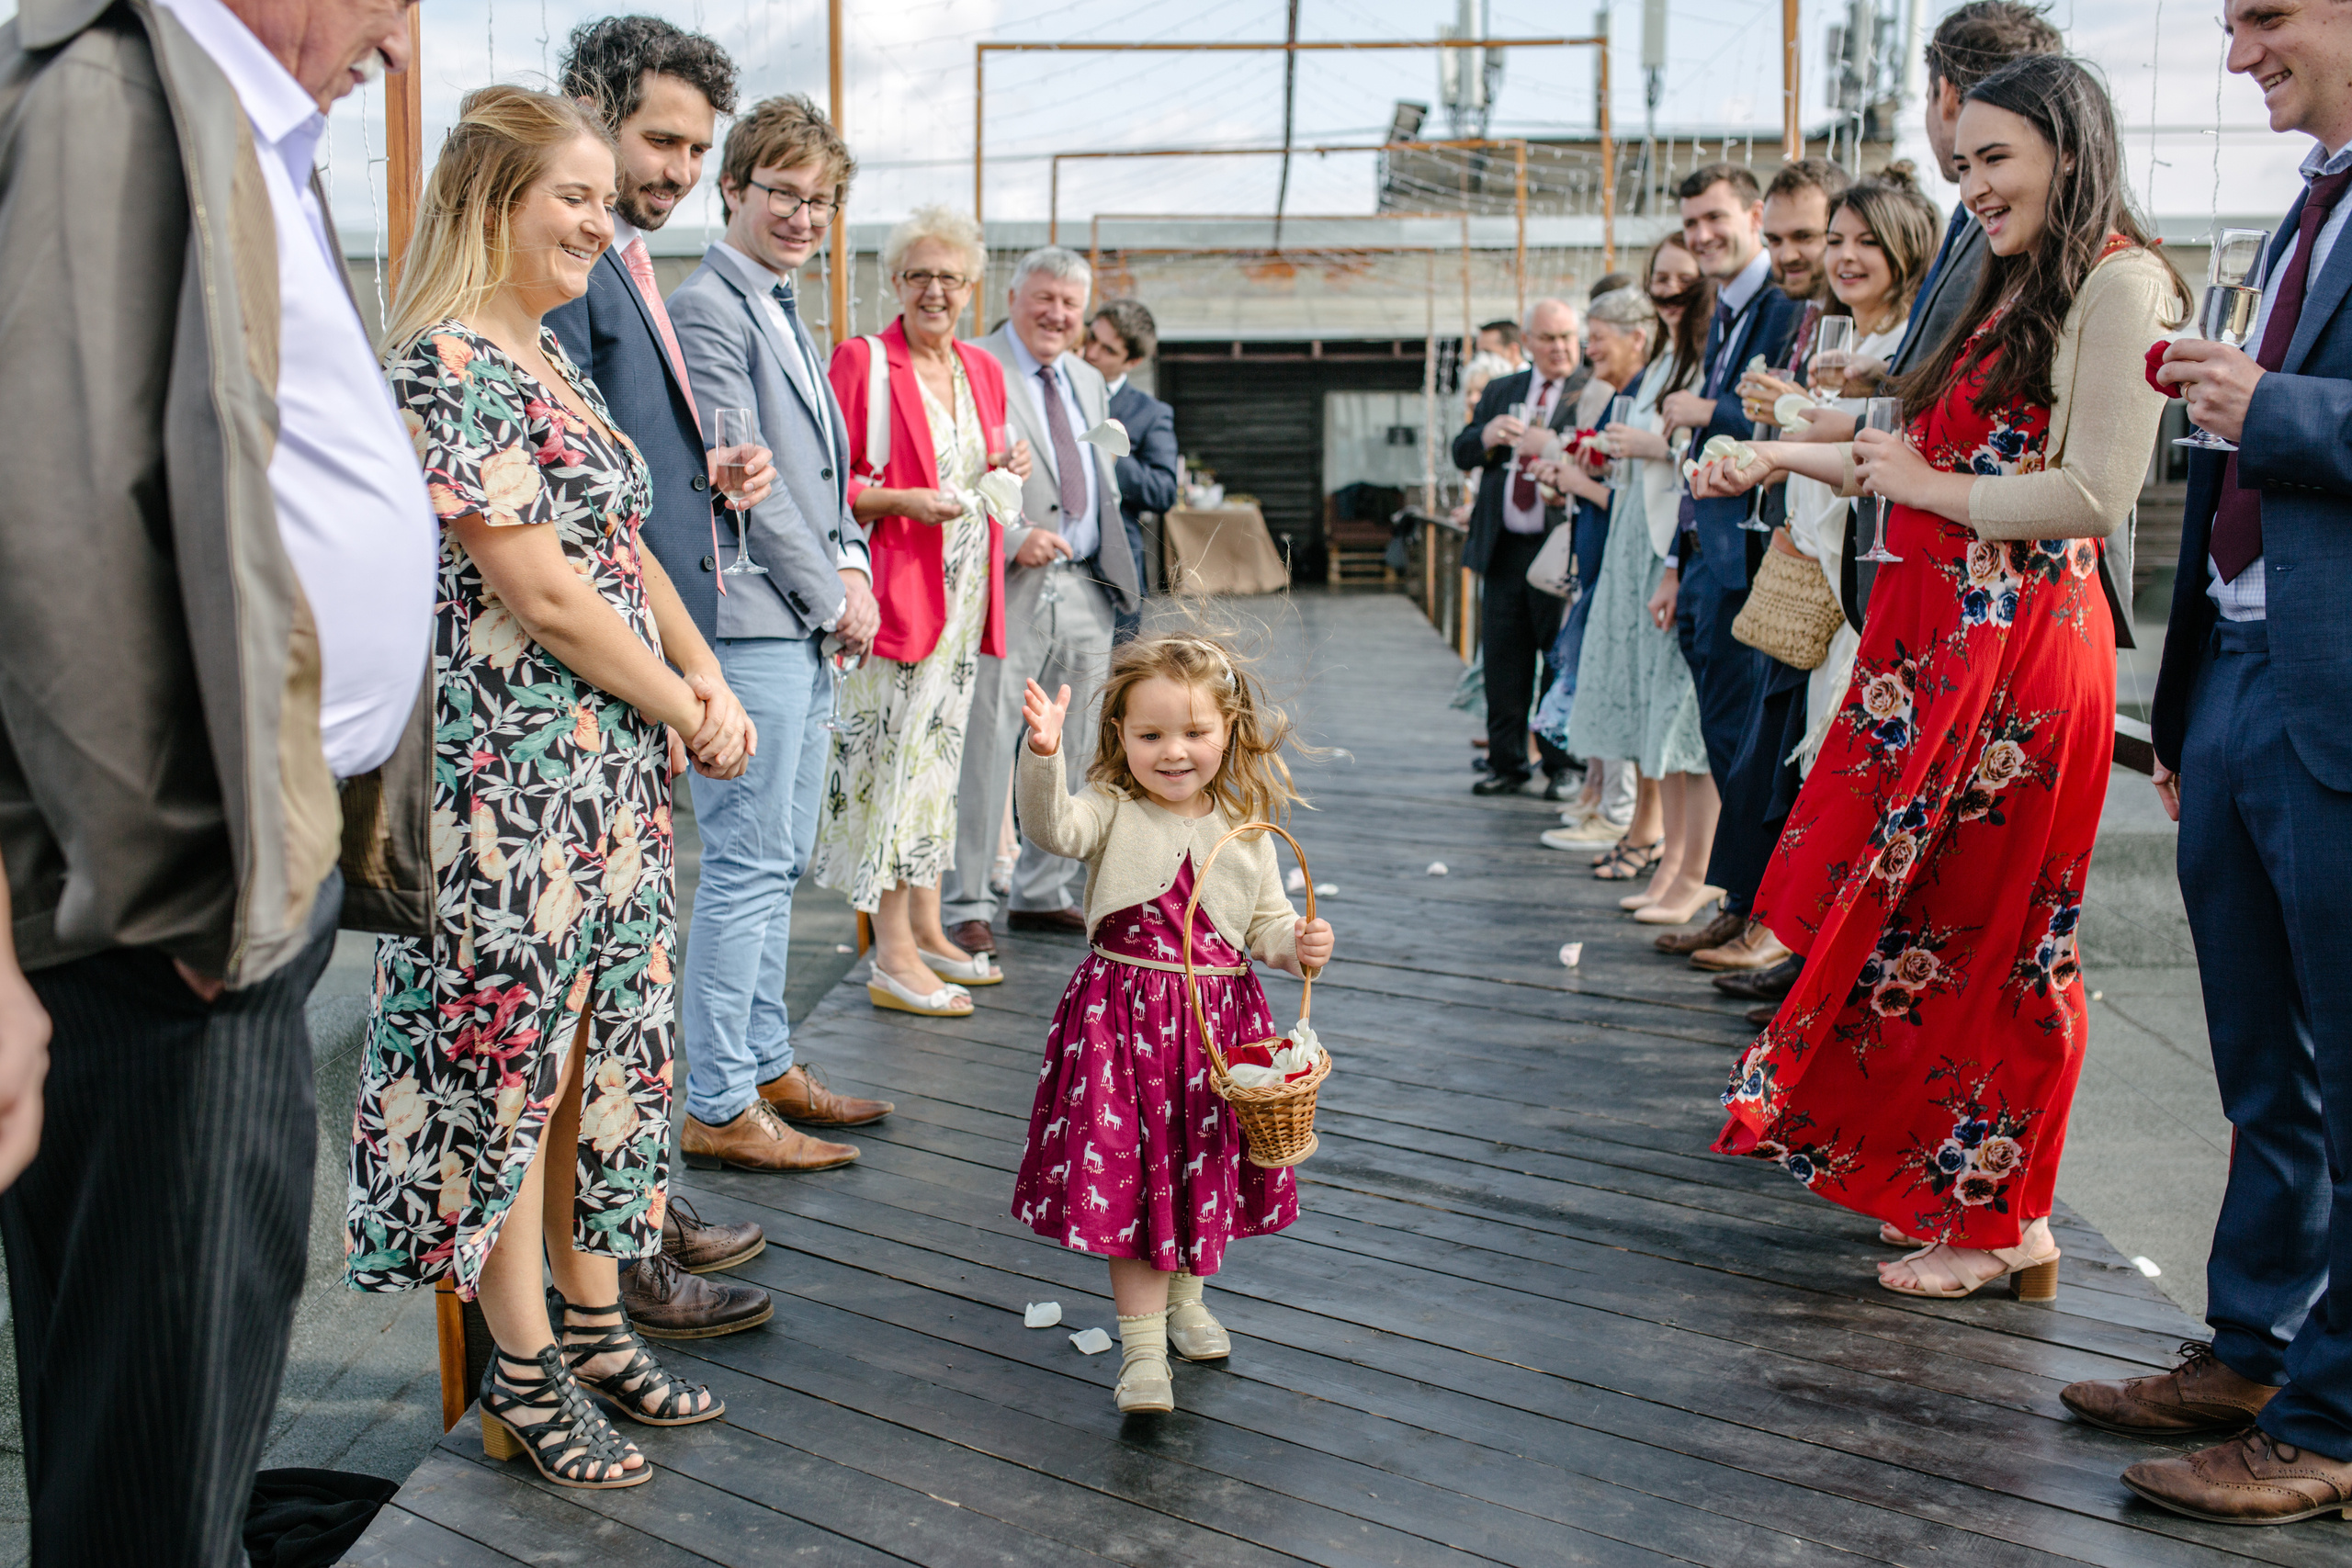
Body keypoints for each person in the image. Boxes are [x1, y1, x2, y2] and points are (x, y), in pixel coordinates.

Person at [0, 0, 429, 1555]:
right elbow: (44, 523)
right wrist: (183, 887)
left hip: (231, 888)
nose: (405, 22)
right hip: (181, 920)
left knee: (174, 1417)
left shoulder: (247, 120)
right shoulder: (116, 94)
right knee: (157, 1452)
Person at [1695, 56, 2184, 1300]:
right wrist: (1781, 454)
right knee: (1927, 920)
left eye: (1995, 162)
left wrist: (1922, 487)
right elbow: (1898, 451)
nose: (1973, 188)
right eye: (1962, 166)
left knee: (2011, 937)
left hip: (2019, 655)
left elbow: (2090, 495)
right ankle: (1948, 1185)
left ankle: (2006, 1221)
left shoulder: (2126, 282)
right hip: (1933, 648)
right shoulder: (2005, 283)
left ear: (2068, 151)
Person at [348, 85, 763, 1492]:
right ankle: (520, 1363)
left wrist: (707, 683)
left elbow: (628, 551)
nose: (601, 220)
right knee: (515, 1076)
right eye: (571, 197)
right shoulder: (446, 362)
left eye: (604, 196)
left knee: (610, 1055)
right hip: (509, 791)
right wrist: (683, 701)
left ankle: (594, 1320)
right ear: (492, 203)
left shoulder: (549, 358)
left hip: (612, 778)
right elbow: (537, 587)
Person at [2082, 0, 2352, 1525]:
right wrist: (2188, 713)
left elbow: (2292, 426)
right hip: (2246, 674)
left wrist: (2285, 408)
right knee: (2263, 1057)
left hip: (2331, 693)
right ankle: (2254, 1348)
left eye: (2267, 16)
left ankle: (2334, 1418)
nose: (2240, 52)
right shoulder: (2305, 210)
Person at [545, 11, 775, 1344]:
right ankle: (616, 1259)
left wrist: (714, 481)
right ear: (592, 113)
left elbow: (630, 470)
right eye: (663, 139)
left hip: (649, 672)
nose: (682, 167)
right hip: (605, 684)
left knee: (629, 979)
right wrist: (679, 682)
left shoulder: (628, 261)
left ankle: (638, 1209)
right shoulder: (571, 266)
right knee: (595, 993)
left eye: (697, 146)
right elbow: (578, 515)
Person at [1008, 635, 1335, 1414]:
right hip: (1121, 1026)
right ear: (1120, 735)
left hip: (1216, 1032)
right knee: (1132, 1172)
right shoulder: (1111, 808)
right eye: (1151, 735)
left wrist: (1299, 945)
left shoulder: (1245, 825)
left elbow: (1267, 926)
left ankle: (1186, 1301)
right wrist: (1043, 754)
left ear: (1229, 730)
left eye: (1194, 733)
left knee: (1197, 1167)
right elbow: (1055, 828)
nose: (1174, 752)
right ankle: (1142, 1349)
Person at [665, 95, 896, 1175]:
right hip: (753, 621)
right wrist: (833, 594)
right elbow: (744, 476)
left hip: (798, 621)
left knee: (780, 856)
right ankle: (715, 1099)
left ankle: (764, 1063)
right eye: (784, 195)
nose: (804, 217)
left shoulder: (784, 307)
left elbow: (820, 480)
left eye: (821, 201)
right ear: (735, 191)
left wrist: (852, 560)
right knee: (748, 865)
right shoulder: (708, 307)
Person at [1714, 168, 1941, 1018]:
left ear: (1907, 249)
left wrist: (1796, 414)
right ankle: (1808, 953)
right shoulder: (1848, 345)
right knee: (1816, 781)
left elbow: (1869, 463)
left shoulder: (1908, 352)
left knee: (1846, 783)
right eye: (1835, 241)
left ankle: (1824, 966)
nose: (1844, 256)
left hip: (1872, 592)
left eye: (1862, 242)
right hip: (1827, 583)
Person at [817, 206, 1023, 1015]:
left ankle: (930, 927)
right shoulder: (863, 362)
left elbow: (990, 464)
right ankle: (891, 953)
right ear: (895, 282)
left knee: (933, 777)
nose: (935, 290)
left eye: (951, 277)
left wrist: (1011, 464)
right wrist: (905, 500)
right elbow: (824, 484)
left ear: (972, 288)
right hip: (896, 603)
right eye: (919, 275)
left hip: (965, 606)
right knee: (890, 779)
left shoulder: (982, 367)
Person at [943, 248, 1145, 957]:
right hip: (1012, 582)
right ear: (1013, 295)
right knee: (991, 741)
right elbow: (953, 475)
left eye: (1070, 303)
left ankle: (1041, 889)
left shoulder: (1089, 378)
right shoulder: (971, 363)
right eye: (1045, 298)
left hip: (1087, 581)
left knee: (1079, 741)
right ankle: (967, 899)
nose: (1057, 314)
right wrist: (1016, 535)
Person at [1654, 164, 1806, 958]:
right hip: (1709, 547)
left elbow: (1784, 409)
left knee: (1753, 735)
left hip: (1751, 547)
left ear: (1749, 214)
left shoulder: (1783, 301)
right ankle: (1742, 895)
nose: (1702, 236)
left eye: (1716, 220)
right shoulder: (1729, 305)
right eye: (1691, 225)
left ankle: (1766, 911)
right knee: (1726, 734)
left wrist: (1706, 410)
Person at [1563, 243, 1720, 935]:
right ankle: (1673, 861)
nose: (1670, 290)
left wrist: (1653, 449)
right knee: (1662, 715)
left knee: (1683, 719)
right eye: (1659, 279)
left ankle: (1691, 867)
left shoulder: (1701, 354)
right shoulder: (1668, 360)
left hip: (1677, 543)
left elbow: (1703, 448)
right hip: (1651, 537)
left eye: (1680, 279)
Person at [1529, 288, 1659, 864]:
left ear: (1637, 336)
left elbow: (1626, 494)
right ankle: (1602, 798)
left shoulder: (1637, 397)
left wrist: (1578, 480)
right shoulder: (1624, 395)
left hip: (1622, 558)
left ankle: (1620, 813)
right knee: (1592, 672)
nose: (1587, 349)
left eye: (1597, 338)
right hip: (1601, 556)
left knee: (1613, 680)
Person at [1453, 297, 1595, 797]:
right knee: (1503, 659)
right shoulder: (1502, 389)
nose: (1559, 348)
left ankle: (1562, 764)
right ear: (1528, 343)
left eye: (1567, 337)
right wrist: (1488, 435)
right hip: (1504, 547)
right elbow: (1462, 450)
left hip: (1559, 545)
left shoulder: (1593, 388)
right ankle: (1506, 761)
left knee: (1559, 656)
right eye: (1549, 338)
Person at [1081, 298, 1182, 636]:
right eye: (1091, 337)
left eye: (1107, 349)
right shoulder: (1053, 387)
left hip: (1113, 569)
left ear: (1133, 361)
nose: (1090, 352)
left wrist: (1113, 460)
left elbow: (1164, 490)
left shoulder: (1150, 412)